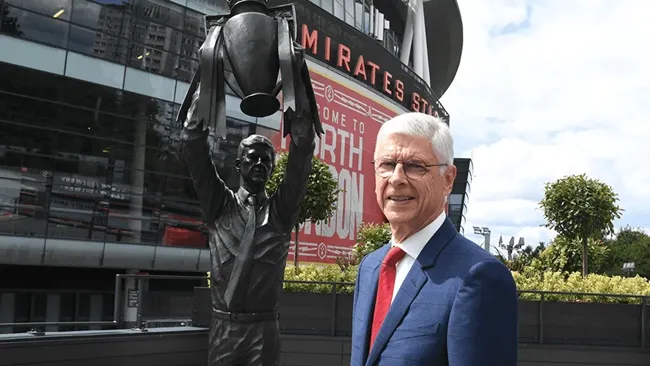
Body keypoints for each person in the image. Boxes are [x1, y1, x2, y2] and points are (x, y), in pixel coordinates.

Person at [350, 112, 518, 366]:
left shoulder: (479, 277)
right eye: (386, 164)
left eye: (415, 166)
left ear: (448, 179)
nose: (396, 178)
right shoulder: (370, 267)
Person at [181, 81, 316, 365]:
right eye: (252, 158)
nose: (260, 164)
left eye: (266, 160)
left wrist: (296, 80)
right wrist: (210, 76)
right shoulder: (219, 206)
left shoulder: (280, 212)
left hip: (265, 330)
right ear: (238, 164)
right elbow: (193, 143)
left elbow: (303, 149)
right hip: (224, 330)